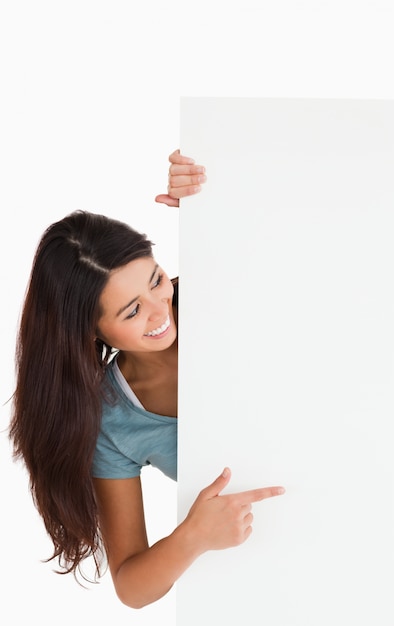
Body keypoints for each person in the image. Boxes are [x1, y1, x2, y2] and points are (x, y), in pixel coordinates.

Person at [9, 149, 285, 609]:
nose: (162, 311)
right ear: (90, 332)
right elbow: (132, 585)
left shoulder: (217, 294)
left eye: (156, 280)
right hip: (270, 577)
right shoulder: (110, 421)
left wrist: (220, 195)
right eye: (132, 311)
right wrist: (193, 536)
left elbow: (309, 234)